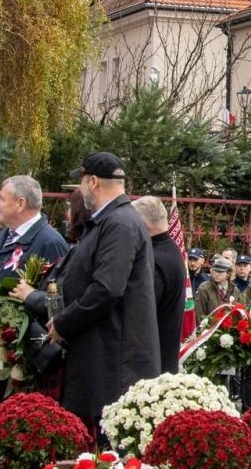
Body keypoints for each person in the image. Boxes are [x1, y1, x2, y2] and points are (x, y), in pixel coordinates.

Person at [33, 152, 159, 433]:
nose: (79, 190)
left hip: (113, 363)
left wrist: (63, 323)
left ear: (92, 182)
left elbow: (107, 288)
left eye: (81, 182)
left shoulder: (119, 223)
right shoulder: (108, 221)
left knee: (102, 450)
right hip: (101, 355)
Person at [0, 174, 68, 291]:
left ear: (20, 204)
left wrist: (30, 296)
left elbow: (56, 295)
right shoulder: (4, 235)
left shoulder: (51, 243)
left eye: (2, 199)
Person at [132, 195, 186, 374]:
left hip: (151, 366)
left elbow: (138, 312)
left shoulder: (154, 260)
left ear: (142, 225)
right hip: (162, 360)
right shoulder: (170, 250)